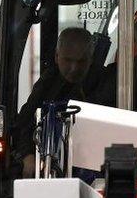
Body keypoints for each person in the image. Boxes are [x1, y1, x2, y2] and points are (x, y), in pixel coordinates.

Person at [14, 27, 95, 178]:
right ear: (57, 57)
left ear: (91, 59)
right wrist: (28, 155)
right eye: (68, 60)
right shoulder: (48, 82)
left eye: (81, 61)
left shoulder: (103, 81)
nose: (74, 68)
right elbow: (24, 122)